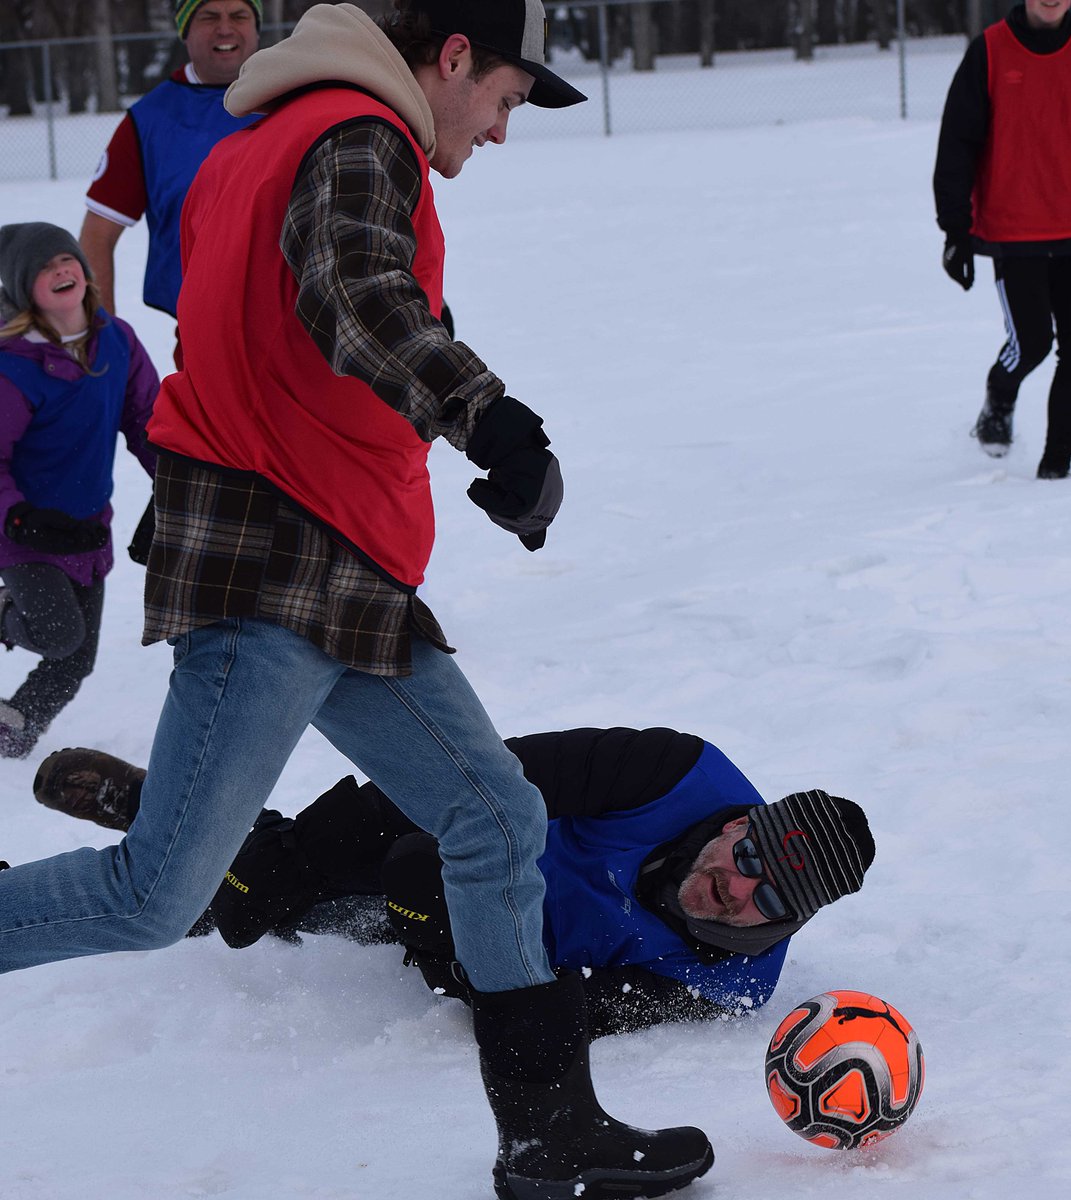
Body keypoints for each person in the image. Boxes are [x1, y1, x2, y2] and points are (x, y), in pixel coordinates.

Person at [0, 6, 710, 1199]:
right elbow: (358, 293)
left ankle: (547, 1136)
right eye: (504, 97)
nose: (500, 130)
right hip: (275, 562)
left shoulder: (270, 136)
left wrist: (440, 433)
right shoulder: (354, 131)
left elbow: (306, 314)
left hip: (337, 562)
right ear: (449, 59)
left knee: (496, 817)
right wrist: (489, 418)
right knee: (156, 891)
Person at [33, 727, 877, 1039]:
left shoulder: (729, 983)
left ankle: (197, 871)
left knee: (343, 912)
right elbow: (470, 778)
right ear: (738, 821)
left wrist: (453, 964)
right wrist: (298, 860)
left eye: (766, 900)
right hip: (462, 834)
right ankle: (184, 831)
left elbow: (570, 1010)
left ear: (788, 922)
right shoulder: (673, 771)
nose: (734, 887)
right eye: (747, 856)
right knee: (298, 878)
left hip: (492, 937)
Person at [933, 0, 1071, 479]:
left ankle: (1055, 468)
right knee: (1031, 344)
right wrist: (956, 231)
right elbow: (956, 145)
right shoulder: (988, 52)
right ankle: (1000, 394)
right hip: (1015, 232)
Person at [0, 223, 158, 760]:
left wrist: (177, 484)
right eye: (46, 268)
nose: (63, 270)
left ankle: (10, 731)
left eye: (67, 259)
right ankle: (3, 610)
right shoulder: (12, 367)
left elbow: (148, 423)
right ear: (26, 289)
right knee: (59, 635)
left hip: (88, 527)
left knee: (75, 660)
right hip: (22, 532)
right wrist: (17, 518)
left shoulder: (117, 341)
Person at [80, 1, 262, 334]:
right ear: (185, 30)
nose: (225, 28)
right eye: (209, 17)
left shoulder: (292, 96)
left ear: (256, 27)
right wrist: (104, 337)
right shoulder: (150, 119)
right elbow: (97, 234)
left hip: (300, 331)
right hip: (203, 333)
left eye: (239, 16)